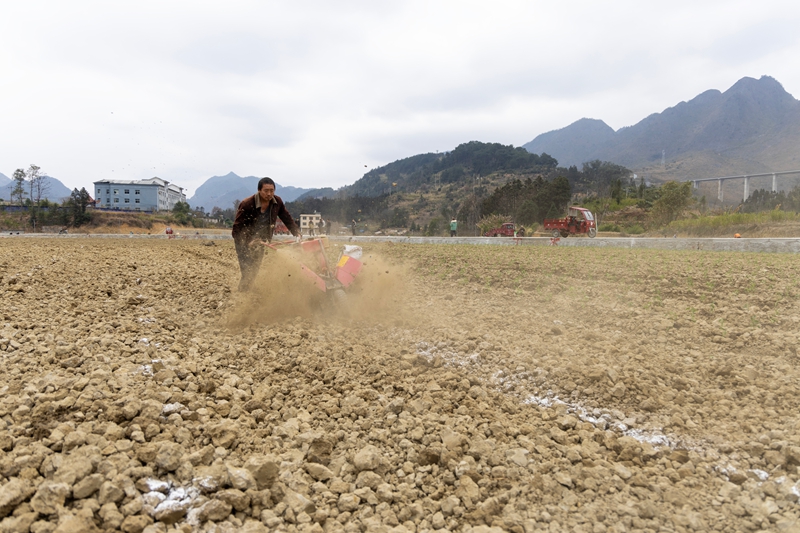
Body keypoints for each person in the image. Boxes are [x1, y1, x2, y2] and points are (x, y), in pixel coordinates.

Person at [231, 177, 301, 291]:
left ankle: (248, 290)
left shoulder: (277, 202)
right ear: (259, 190)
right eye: (266, 191)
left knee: (255, 267)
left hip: (261, 240)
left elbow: (286, 217)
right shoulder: (247, 204)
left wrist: (296, 232)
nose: (269, 194)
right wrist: (248, 241)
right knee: (247, 269)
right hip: (244, 242)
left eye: (272, 191)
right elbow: (237, 229)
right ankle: (242, 295)